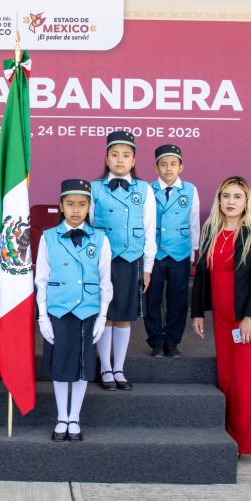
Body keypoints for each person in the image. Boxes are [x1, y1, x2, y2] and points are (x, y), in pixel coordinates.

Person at [191, 176, 251, 456]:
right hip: (222, 316)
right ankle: (226, 439)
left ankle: (243, 443)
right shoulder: (210, 230)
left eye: (237, 196)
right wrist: (198, 312)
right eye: (226, 196)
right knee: (226, 377)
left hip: (247, 317)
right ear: (218, 200)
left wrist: (250, 317)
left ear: (246, 201)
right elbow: (202, 275)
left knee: (246, 380)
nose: (230, 202)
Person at [35, 179, 113, 442]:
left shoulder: (100, 239)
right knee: (60, 366)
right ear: (61, 206)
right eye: (70, 204)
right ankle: (61, 416)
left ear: (89, 206)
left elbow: (105, 281)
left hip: (87, 310)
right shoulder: (48, 237)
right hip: (58, 310)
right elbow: (41, 279)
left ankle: (75, 417)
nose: (76, 210)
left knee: (81, 366)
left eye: (82, 204)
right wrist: (42, 315)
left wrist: (102, 315)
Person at [90, 130, 156, 390]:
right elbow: (89, 225)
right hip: (104, 261)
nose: (120, 160)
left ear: (133, 159)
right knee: (105, 314)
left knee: (124, 315)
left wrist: (148, 266)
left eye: (125, 155)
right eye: (114, 155)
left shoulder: (145, 189)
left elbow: (150, 229)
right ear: (106, 159)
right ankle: (105, 367)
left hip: (132, 259)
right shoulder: (94, 188)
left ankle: (120, 368)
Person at [144, 144, 200, 358]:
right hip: (155, 253)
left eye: (173, 164)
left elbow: (194, 221)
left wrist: (193, 251)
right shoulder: (148, 189)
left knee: (178, 299)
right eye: (164, 164)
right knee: (152, 299)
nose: (169, 168)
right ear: (156, 168)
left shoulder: (190, 190)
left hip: (180, 252)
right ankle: (156, 341)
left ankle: (173, 341)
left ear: (181, 167)